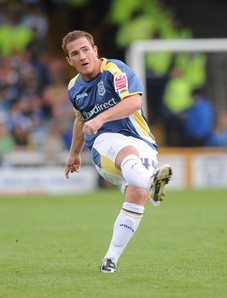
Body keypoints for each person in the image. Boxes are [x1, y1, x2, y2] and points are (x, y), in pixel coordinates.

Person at [61, 30, 173, 273]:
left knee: (138, 195)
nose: (82, 56)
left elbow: (134, 103)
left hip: (142, 141)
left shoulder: (115, 70)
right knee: (126, 150)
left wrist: (99, 118)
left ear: (95, 50)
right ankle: (152, 182)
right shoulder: (73, 88)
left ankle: (110, 260)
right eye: (75, 53)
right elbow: (81, 120)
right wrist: (74, 153)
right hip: (104, 145)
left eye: (85, 49)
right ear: (69, 61)